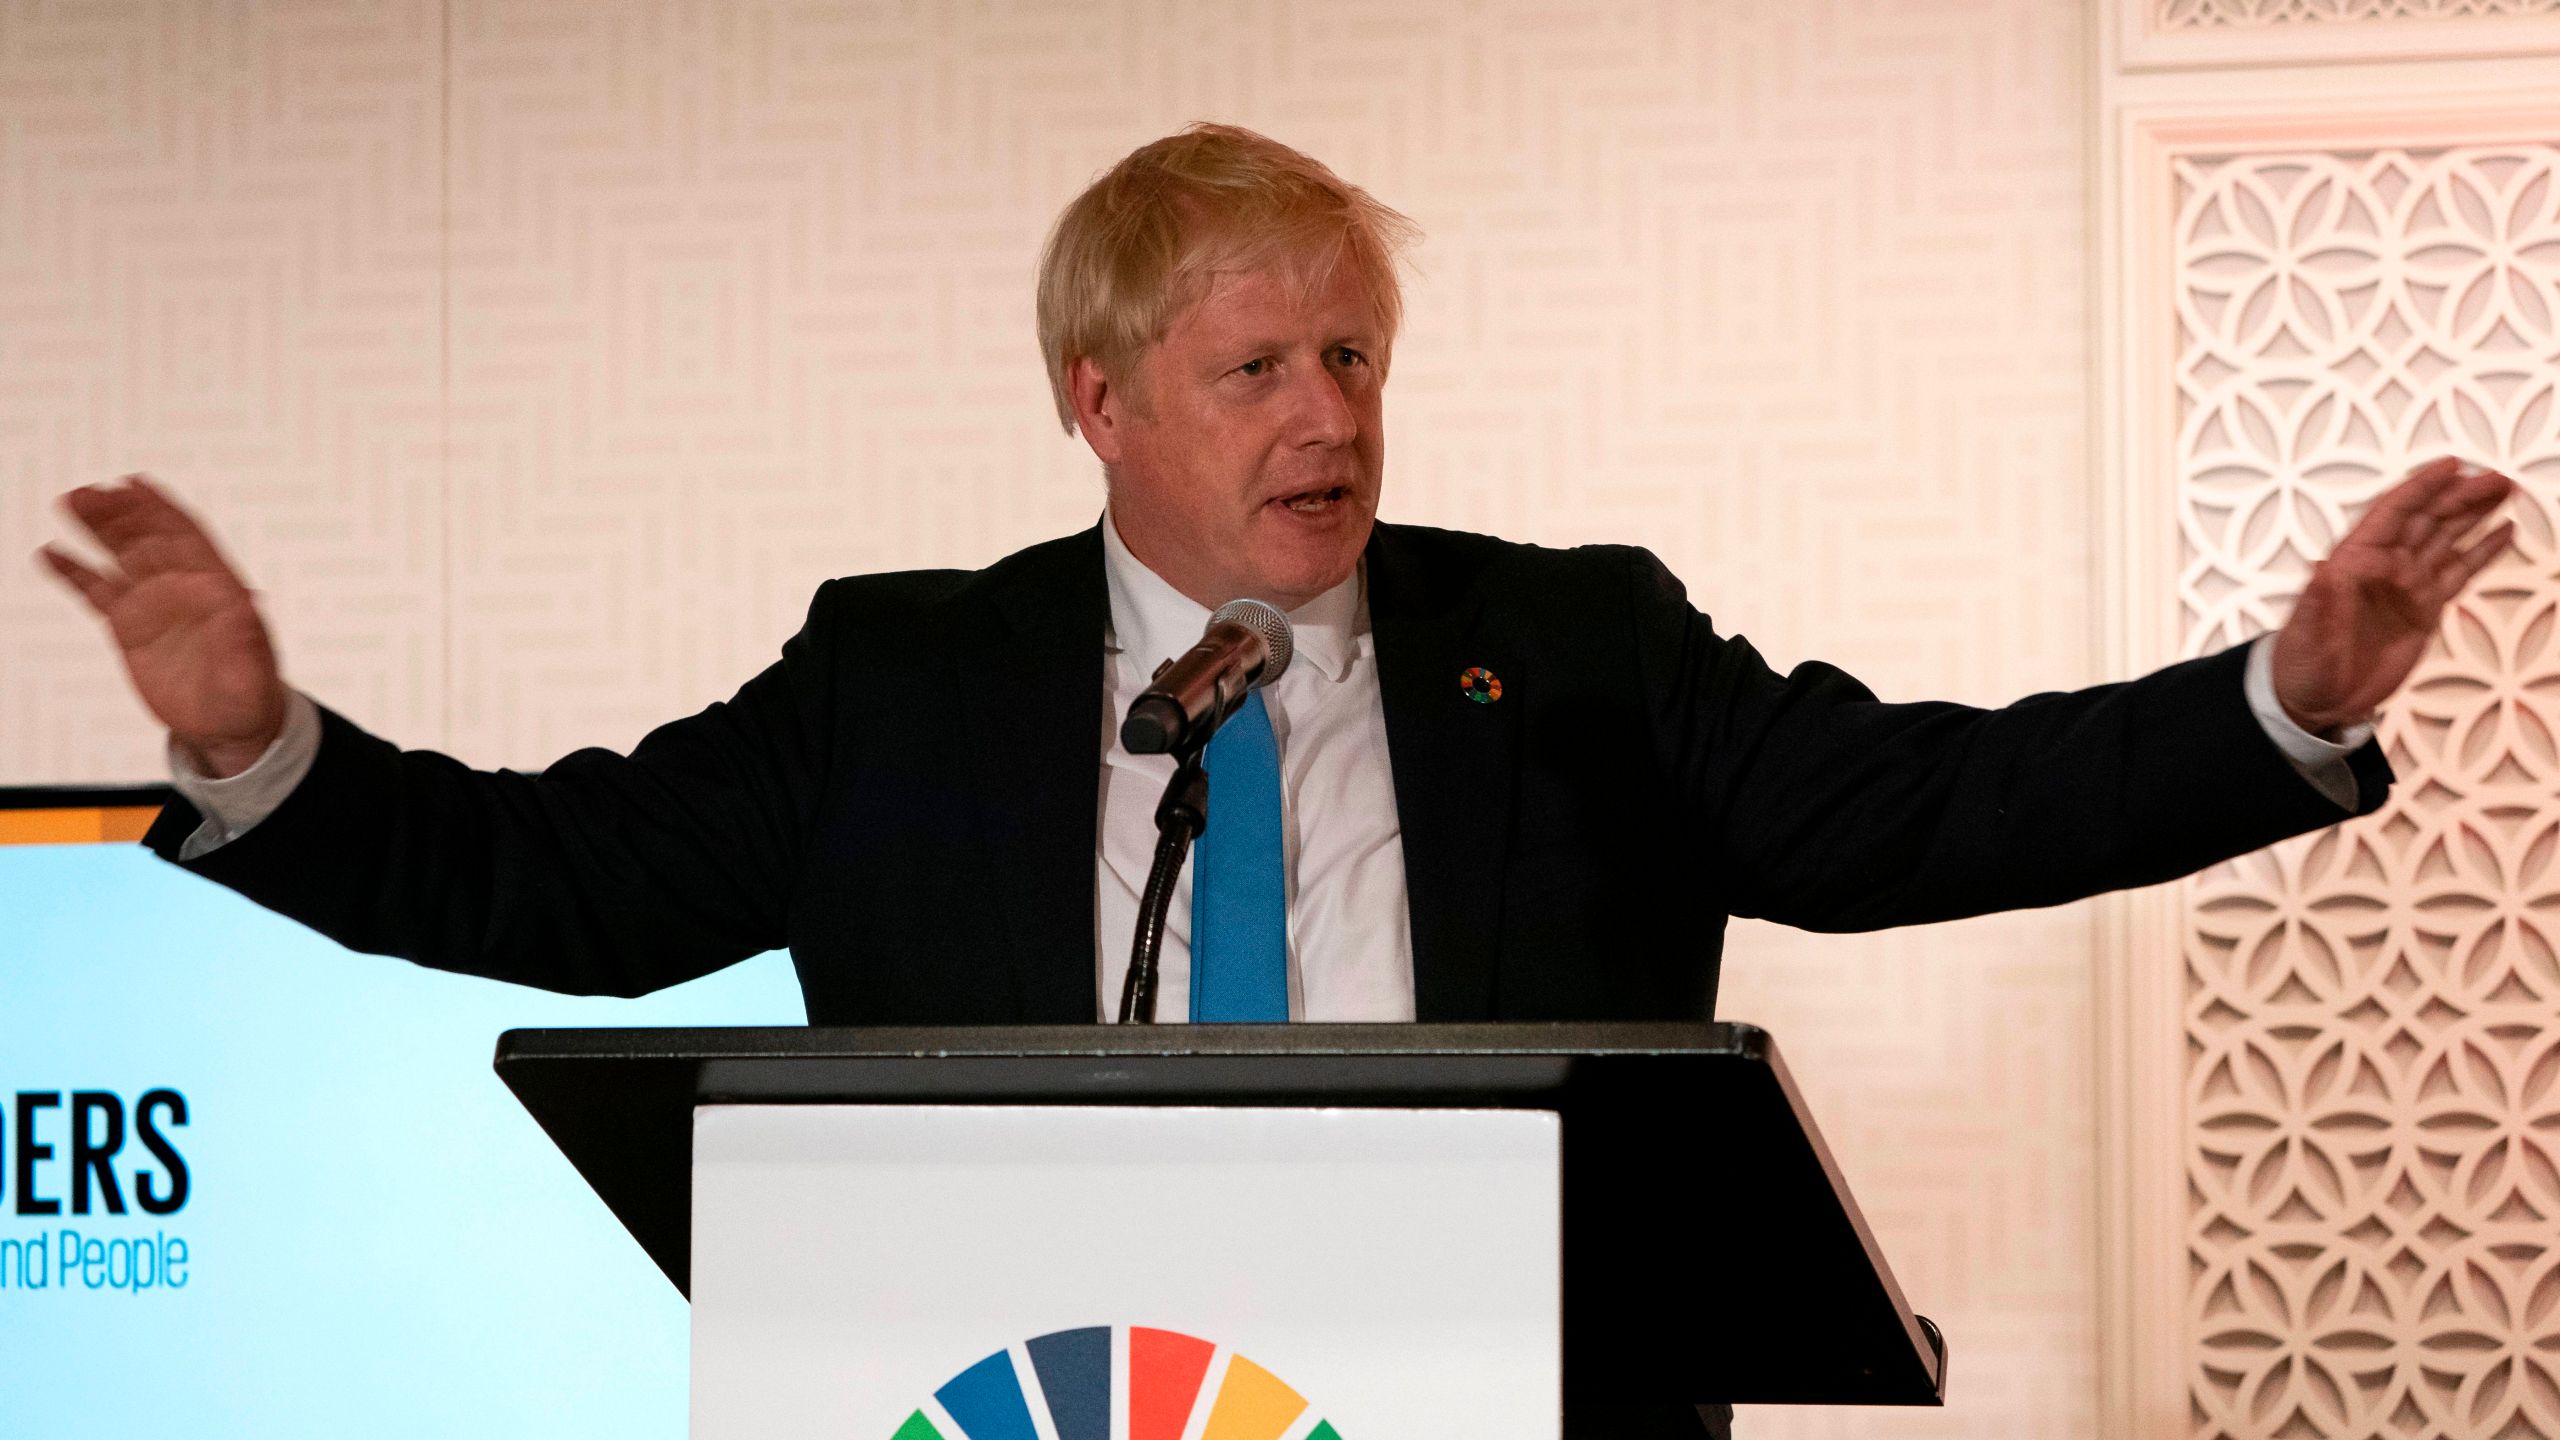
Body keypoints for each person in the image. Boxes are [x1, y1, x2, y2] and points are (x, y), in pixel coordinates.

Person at [33, 116, 2519, 1440]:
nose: (1327, 414)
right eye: (1254, 370)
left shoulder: (1564, 643)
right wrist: (258, 747)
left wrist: (2272, 699)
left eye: (1352, 356)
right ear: (1094, 402)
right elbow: (565, 882)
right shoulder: (900, 680)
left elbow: (1911, 812)